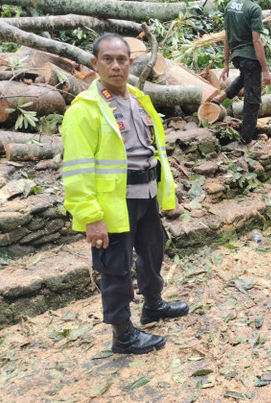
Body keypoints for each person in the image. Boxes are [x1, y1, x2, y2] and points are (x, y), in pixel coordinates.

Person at [61, 34, 189, 355]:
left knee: (153, 252)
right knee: (115, 267)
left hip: (146, 195)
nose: (116, 65)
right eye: (108, 59)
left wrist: (165, 194)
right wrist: (90, 217)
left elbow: (154, 150)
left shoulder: (137, 98)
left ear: (131, 62)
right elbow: (76, 169)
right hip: (113, 204)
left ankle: (153, 305)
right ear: (95, 64)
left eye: (122, 59)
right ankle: (123, 335)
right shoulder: (85, 110)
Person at [211, 0, 271, 146]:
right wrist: (266, 70)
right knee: (253, 100)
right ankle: (246, 139)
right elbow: (256, 41)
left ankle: (221, 97)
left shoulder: (230, 6)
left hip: (238, 56)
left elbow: (227, 36)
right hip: (250, 57)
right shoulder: (254, 8)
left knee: (244, 77)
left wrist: (227, 62)